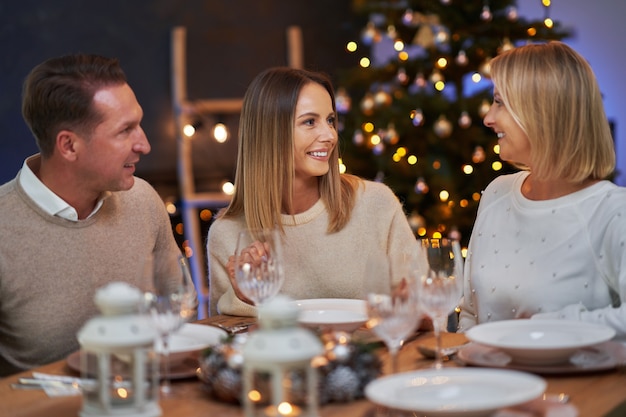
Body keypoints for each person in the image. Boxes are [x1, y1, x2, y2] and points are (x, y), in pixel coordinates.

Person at [0, 54, 185, 376]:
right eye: (125, 130)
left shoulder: (143, 200)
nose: (144, 144)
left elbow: (179, 321)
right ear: (69, 146)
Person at [207, 67, 418, 317]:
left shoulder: (376, 204)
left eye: (330, 120)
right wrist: (245, 298)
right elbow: (227, 340)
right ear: (269, 134)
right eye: (310, 122)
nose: (330, 135)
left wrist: (415, 306)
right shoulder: (228, 234)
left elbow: (425, 311)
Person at [457, 41, 626, 338]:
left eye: (500, 102)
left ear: (542, 112)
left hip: (577, 385)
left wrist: (550, 327)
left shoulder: (613, 211)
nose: (488, 118)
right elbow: (470, 313)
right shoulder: (497, 192)